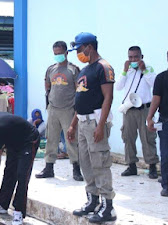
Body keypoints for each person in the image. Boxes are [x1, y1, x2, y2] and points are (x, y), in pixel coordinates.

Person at [67, 32, 116, 223]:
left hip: (96, 122)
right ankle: (92, 201)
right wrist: (73, 125)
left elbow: (108, 98)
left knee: (100, 163)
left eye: (79, 49)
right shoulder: (84, 70)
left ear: (89, 47)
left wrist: (101, 126)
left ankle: (108, 207)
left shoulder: (103, 67)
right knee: (86, 163)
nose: (78, 53)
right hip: (82, 122)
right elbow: (80, 101)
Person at [36, 41, 83, 181]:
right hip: (53, 109)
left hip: (69, 109)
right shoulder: (51, 69)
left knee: (71, 139)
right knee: (51, 138)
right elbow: (47, 86)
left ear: (66, 53)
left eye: (60, 53)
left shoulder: (73, 70)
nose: (57, 56)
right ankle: (49, 167)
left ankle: (76, 168)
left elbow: (79, 90)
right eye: (55, 54)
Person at [115, 46, 159, 179]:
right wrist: (124, 71)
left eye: (136, 57)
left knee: (147, 137)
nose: (133, 60)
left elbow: (154, 83)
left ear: (141, 57)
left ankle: (151, 166)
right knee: (128, 137)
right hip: (129, 109)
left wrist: (144, 70)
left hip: (144, 109)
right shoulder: (126, 71)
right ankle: (131, 166)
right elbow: (118, 87)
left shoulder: (148, 69)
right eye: (130, 57)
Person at [147, 50, 168, 197]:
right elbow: (156, 98)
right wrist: (150, 117)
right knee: (166, 155)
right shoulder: (161, 78)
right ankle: (166, 185)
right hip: (165, 121)